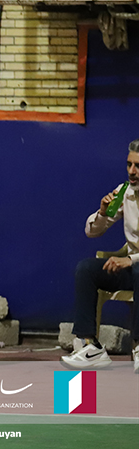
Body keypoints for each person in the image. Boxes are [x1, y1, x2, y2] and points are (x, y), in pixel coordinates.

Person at [61, 140, 139, 373]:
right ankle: (90, 346)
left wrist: (131, 260)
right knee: (86, 269)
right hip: (133, 269)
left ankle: (138, 345)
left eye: (137, 166)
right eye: (129, 164)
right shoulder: (125, 192)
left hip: (136, 266)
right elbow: (92, 232)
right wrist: (103, 213)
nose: (132, 171)